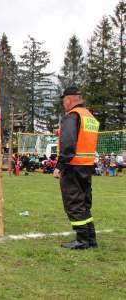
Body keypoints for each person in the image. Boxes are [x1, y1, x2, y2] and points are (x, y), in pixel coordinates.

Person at [53, 86, 99, 249]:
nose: (64, 104)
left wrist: (60, 165)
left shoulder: (72, 116)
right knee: (84, 203)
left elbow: (68, 143)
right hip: (86, 167)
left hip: (72, 166)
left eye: (64, 101)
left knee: (74, 203)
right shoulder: (90, 117)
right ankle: (90, 239)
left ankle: (82, 240)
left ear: (69, 99)